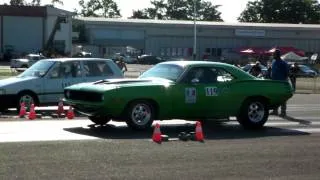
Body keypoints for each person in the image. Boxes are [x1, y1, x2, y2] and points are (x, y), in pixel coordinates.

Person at [270, 49, 290, 117]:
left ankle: (283, 112)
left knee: (282, 97)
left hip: (281, 83)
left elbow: (287, 73)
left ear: (277, 55)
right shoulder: (273, 62)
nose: (273, 55)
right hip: (274, 82)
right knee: (275, 97)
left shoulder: (283, 63)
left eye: (274, 54)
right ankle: (275, 110)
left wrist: (284, 80)